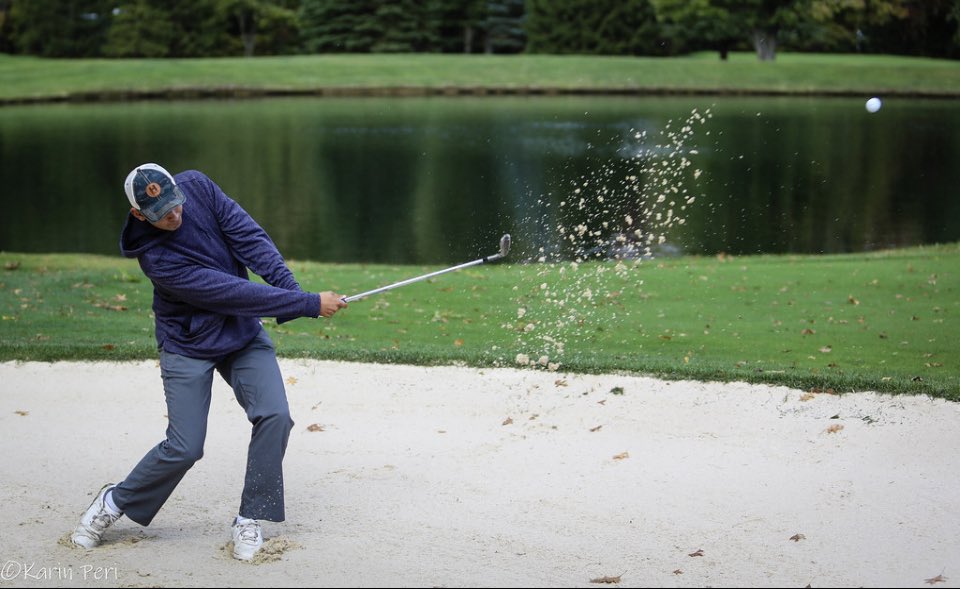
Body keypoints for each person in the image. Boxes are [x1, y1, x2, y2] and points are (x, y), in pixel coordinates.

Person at [70, 163, 347, 561]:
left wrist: (293, 291)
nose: (174, 214)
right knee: (184, 448)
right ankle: (113, 501)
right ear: (139, 215)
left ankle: (250, 517)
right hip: (188, 343)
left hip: (240, 333)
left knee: (275, 416)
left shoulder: (198, 187)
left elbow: (250, 239)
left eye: (175, 203)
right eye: (161, 213)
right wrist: (305, 304)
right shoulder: (156, 259)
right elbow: (232, 293)